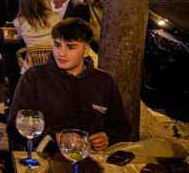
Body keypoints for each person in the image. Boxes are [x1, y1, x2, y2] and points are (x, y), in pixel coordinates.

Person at [7, 18, 131, 151]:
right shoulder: (34, 78)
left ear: (86, 50)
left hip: (92, 160)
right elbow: (14, 126)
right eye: (57, 44)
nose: (61, 53)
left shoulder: (104, 82)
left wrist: (108, 137)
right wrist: (56, 137)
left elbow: (122, 129)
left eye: (71, 47)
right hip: (48, 158)